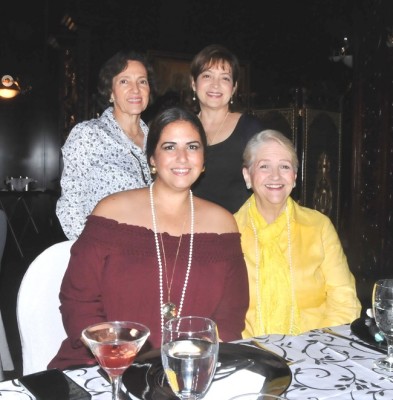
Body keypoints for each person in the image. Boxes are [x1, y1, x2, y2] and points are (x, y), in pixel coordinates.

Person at [48, 106, 249, 370]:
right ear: (152, 159)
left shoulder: (223, 224)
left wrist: (197, 361)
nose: (182, 157)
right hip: (105, 366)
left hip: (189, 367)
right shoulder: (111, 212)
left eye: (192, 147)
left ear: (203, 160)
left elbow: (230, 315)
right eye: (169, 147)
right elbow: (79, 300)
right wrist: (115, 355)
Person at [234, 129, 361, 337]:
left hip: (316, 351)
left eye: (284, 166)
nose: (275, 176)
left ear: (294, 176)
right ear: (247, 175)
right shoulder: (229, 230)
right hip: (250, 353)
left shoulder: (318, 226)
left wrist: (318, 348)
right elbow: (217, 310)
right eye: (264, 166)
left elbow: (344, 299)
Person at [56, 49, 155, 239]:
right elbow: (70, 205)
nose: (136, 89)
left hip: (151, 249)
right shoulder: (89, 134)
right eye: (124, 81)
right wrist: (91, 250)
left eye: (142, 81)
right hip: (105, 251)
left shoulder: (159, 141)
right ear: (110, 91)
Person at [190, 44, 265, 213]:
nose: (215, 85)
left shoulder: (250, 129)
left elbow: (267, 183)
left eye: (224, 78)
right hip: (188, 226)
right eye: (207, 76)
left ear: (234, 88)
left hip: (236, 229)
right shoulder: (181, 128)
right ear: (194, 83)